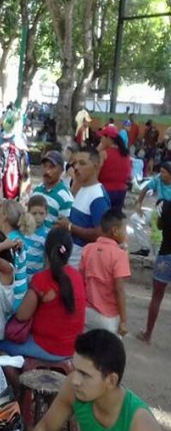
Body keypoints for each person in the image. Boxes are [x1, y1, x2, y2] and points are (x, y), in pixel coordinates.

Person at [29, 330, 171, 431]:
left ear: (111, 380)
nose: (75, 380)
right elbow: (45, 430)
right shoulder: (74, 388)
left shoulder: (139, 425)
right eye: (75, 369)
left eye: (85, 375)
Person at [0, 227, 86, 363]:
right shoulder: (77, 277)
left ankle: (16, 378)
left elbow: (22, 315)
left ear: (45, 250)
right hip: (72, 346)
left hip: (47, 346)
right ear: (69, 252)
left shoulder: (42, 279)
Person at [56, 148, 110, 267]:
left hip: (82, 262)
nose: (76, 167)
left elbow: (101, 233)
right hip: (71, 257)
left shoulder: (98, 197)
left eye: (82, 163)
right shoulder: (82, 189)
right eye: (75, 163)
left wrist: (69, 226)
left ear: (95, 167)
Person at [80, 209, 130, 336]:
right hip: (108, 316)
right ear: (115, 231)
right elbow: (119, 289)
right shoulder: (119, 255)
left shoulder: (88, 249)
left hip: (86, 311)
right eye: (124, 230)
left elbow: (81, 281)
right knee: (109, 347)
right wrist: (124, 321)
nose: (126, 234)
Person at [137, 199, 171, 343]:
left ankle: (148, 334)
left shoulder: (164, 205)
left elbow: (159, 225)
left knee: (157, 297)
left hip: (165, 255)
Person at [0, 200, 35, 309]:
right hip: (21, 292)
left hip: (13, 297)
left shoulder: (8, 242)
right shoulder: (19, 237)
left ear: (4, 217)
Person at [33, 151, 74, 229]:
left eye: (51, 167)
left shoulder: (65, 198)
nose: (47, 171)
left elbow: (64, 229)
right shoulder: (37, 189)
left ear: (61, 171)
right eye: (45, 166)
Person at [97, 125, 132, 213]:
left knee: (103, 217)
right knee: (115, 218)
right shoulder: (125, 154)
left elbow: (96, 174)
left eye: (102, 137)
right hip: (121, 191)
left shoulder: (103, 154)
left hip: (105, 190)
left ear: (108, 138)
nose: (101, 140)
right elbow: (128, 175)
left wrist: (97, 150)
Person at [22, 195, 50, 277]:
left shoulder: (46, 235)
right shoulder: (23, 230)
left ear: (46, 213)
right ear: (28, 213)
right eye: (34, 213)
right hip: (21, 275)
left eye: (41, 213)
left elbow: (47, 259)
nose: (38, 217)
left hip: (36, 277)